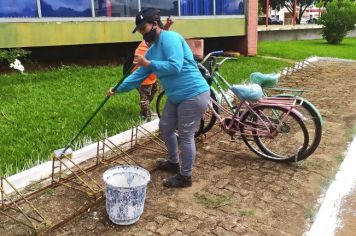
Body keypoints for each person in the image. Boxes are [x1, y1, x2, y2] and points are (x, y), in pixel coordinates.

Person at [108, 8, 210, 188]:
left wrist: (149, 63)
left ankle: (185, 177)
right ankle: (173, 162)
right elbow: (138, 76)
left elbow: (175, 66)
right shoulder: (153, 50)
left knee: (186, 135)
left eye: (143, 28)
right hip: (175, 96)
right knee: (165, 127)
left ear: (155, 24)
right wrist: (117, 88)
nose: (142, 32)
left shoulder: (170, 38)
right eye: (139, 30)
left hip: (193, 94)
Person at [127, 17, 173, 121]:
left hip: (151, 77)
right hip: (143, 79)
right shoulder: (143, 49)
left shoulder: (153, 41)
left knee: (153, 92)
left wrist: (167, 26)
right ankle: (145, 116)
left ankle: (145, 110)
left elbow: (161, 35)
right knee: (145, 98)